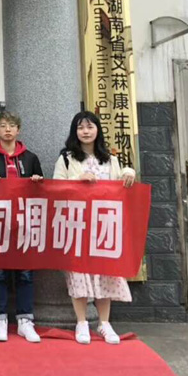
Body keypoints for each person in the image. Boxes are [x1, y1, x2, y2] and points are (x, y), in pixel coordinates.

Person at [54, 110, 136, 345]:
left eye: (90, 127)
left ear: (98, 130)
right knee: (78, 273)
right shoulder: (67, 158)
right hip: (77, 224)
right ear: (75, 132)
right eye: (81, 127)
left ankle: (104, 323)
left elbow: (122, 180)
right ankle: (81, 322)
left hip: (104, 225)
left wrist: (129, 172)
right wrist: (77, 180)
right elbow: (55, 187)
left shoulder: (109, 159)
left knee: (105, 272)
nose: (86, 131)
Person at [0, 111, 44, 344]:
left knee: (25, 273)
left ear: (18, 130)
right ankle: (0, 318)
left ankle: (25, 320)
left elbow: (42, 190)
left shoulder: (30, 158)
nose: (7, 130)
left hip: (25, 223)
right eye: (3, 125)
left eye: (12, 126)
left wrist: (36, 182)